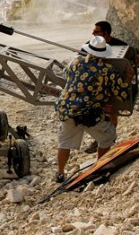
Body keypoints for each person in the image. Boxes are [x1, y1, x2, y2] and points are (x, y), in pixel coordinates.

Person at [54, 36, 133, 183]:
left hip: (67, 110)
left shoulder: (75, 61)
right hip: (89, 113)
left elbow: (66, 76)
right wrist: (129, 77)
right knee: (107, 137)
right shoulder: (107, 70)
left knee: (65, 143)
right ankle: (99, 167)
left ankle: (59, 173)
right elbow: (122, 94)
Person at [83, 20, 139, 153]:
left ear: (106, 33)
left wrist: (136, 63)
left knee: (112, 114)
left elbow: (134, 62)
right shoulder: (89, 45)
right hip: (96, 90)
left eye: (96, 32)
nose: (93, 34)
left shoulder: (121, 45)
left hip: (114, 88)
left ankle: (109, 139)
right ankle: (100, 140)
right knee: (97, 116)